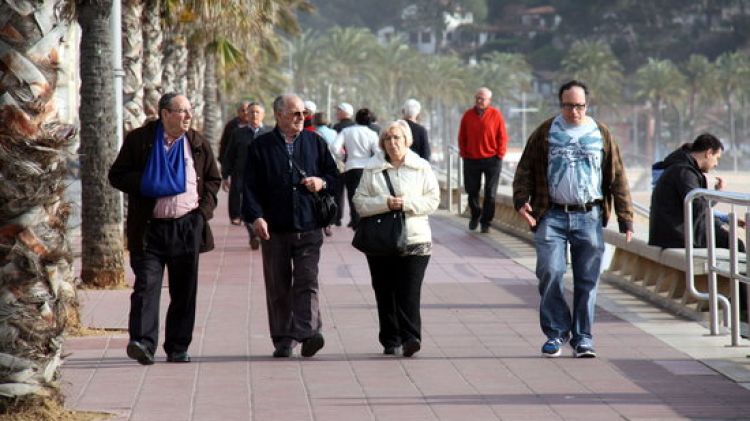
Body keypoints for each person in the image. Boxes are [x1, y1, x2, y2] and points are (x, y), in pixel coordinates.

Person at [512, 80, 634, 359]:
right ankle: (556, 332)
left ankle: (583, 338)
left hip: (589, 215)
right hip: (551, 214)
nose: (574, 111)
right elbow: (525, 170)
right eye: (568, 105)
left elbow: (617, 177)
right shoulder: (545, 131)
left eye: (579, 106)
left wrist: (626, 217)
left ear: (586, 106)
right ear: (561, 104)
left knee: (587, 280)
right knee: (550, 271)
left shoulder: (601, 133)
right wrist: (521, 200)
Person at [109, 93, 221, 365]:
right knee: (146, 286)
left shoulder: (196, 143)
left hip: (186, 227)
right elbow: (117, 175)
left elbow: (213, 180)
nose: (188, 116)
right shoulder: (141, 140)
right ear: (164, 113)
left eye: (189, 110)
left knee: (184, 290)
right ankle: (143, 344)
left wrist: (201, 215)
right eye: (181, 111)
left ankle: (178, 346)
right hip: (150, 229)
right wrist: (148, 182)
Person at [242, 93, 339, 358]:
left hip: (309, 225)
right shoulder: (260, 146)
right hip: (275, 229)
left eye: (303, 113)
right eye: (295, 113)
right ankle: (283, 339)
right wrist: (256, 217)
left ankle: (308, 333)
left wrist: (322, 182)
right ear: (279, 115)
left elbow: (334, 175)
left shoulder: (315, 142)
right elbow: (249, 187)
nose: (301, 118)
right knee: (278, 284)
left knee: (307, 280)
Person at [353, 120, 440, 357]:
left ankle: (411, 337)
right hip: (381, 240)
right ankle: (391, 339)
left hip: (415, 238)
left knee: (409, 291)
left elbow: (432, 201)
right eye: (388, 139)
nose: (392, 143)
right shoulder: (372, 168)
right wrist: (385, 203)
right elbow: (359, 202)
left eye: (397, 138)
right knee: (384, 290)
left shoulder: (421, 167)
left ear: (407, 141)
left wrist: (406, 204)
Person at [649, 134, 745, 251]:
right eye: (717, 158)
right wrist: (721, 218)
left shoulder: (681, 168)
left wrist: (717, 197)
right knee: (735, 244)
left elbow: (697, 206)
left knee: (728, 239)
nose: (716, 164)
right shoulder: (684, 172)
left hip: (670, 233)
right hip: (676, 237)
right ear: (708, 153)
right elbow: (697, 208)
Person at [458, 87, 509, 233]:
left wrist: (500, 154)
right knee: (471, 190)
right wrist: (464, 153)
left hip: (492, 160)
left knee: (490, 193)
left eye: (483, 98)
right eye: (478, 98)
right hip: (471, 159)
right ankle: (475, 214)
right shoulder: (467, 115)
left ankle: (486, 222)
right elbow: (462, 136)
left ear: (489, 101)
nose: (480, 101)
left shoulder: (496, 115)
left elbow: (503, 136)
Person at [221, 101, 269, 249]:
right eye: (251, 112)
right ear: (246, 115)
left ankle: (263, 230)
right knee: (245, 207)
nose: (254, 115)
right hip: (242, 176)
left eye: (257, 112)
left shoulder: (270, 133)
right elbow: (229, 155)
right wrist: (225, 176)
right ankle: (254, 234)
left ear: (263, 115)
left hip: (265, 177)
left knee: (264, 206)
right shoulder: (238, 133)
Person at [333, 108, 380, 229]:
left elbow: (334, 147)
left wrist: (342, 157)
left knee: (353, 196)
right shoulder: (372, 134)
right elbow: (378, 152)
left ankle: (355, 222)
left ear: (356, 118)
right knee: (367, 196)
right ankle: (365, 222)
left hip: (351, 167)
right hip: (367, 167)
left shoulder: (346, 131)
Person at [313, 112, 344, 234]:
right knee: (333, 195)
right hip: (334, 166)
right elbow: (339, 150)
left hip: (319, 167)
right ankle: (330, 222)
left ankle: (322, 220)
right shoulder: (334, 133)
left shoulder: (314, 133)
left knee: (320, 195)